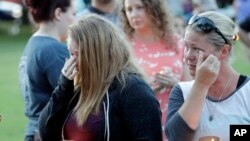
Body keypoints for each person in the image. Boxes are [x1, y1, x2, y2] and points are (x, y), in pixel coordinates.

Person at [38, 14, 162, 141]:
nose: (72, 61)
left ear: (96, 54)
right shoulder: (79, 87)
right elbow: (46, 133)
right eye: (70, 53)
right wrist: (63, 88)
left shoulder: (134, 89)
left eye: (77, 54)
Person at [165, 11, 250, 141]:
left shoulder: (247, 91)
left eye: (196, 49)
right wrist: (200, 85)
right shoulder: (182, 91)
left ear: (224, 51)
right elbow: (175, 137)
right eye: (186, 47)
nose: (188, 56)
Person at [120, 0, 191, 140]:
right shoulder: (122, 47)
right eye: (129, 9)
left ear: (154, 8)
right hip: (140, 126)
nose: (134, 14)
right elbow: (116, 92)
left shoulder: (177, 43)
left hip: (177, 124)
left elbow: (193, 88)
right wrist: (143, 89)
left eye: (139, 7)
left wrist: (176, 84)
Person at [18, 0, 76, 140]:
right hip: (45, 133)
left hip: (34, 131)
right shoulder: (53, 50)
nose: (75, 20)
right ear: (58, 14)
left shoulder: (33, 43)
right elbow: (76, 100)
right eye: (73, 13)